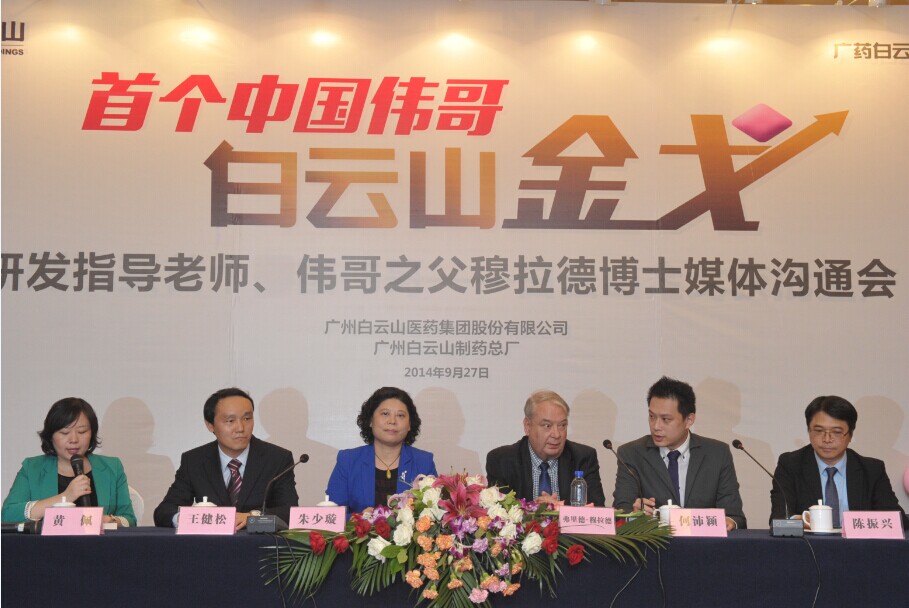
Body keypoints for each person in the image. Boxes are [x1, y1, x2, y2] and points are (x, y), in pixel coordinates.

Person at [153, 388, 298, 530]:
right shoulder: (194, 461)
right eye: (230, 421)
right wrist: (193, 519)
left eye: (247, 419)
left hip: (260, 543)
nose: (240, 428)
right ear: (210, 425)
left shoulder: (277, 459)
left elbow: (290, 512)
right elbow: (164, 512)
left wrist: (253, 516)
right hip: (211, 544)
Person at [613, 377, 746, 530]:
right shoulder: (631, 454)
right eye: (652, 416)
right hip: (653, 543)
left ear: (689, 420)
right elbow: (621, 511)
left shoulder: (717, 454)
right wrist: (633, 513)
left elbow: (735, 516)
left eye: (666, 419)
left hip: (704, 543)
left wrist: (729, 521)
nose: (656, 426)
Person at [770, 395, 907, 527]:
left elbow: (896, 520)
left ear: (850, 435)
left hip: (858, 543)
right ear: (809, 431)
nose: (827, 439)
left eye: (836, 432)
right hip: (809, 543)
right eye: (819, 431)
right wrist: (804, 522)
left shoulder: (872, 470)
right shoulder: (790, 465)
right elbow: (780, 517)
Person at [2, 397, 136, 526]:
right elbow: (7, 515)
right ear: (51, 436)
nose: (74, 440)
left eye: (82, 432)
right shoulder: (32, 468)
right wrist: (66, 496)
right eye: (65, 433)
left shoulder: (112, 467)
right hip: (48, 542)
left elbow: (129, 520)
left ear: (92, 433)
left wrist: (106, 520)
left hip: (99, 541)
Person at [485, 390, 606, 506]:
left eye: (562, 425)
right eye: (547, 426)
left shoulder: (583, 458)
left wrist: (559, 508)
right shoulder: (502, 461)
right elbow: (499, 511)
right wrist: (537, 512)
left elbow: (597, 508)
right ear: (528, 426)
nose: (556, 434)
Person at [326, 387, 437, 514]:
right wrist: (358, 519)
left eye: (400, 415)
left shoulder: (423, 462)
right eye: (385, 414)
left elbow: (434, 513)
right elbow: (332, 514)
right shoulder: (348, 460)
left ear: (409, 425)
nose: (392, 421)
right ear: (370, 420)